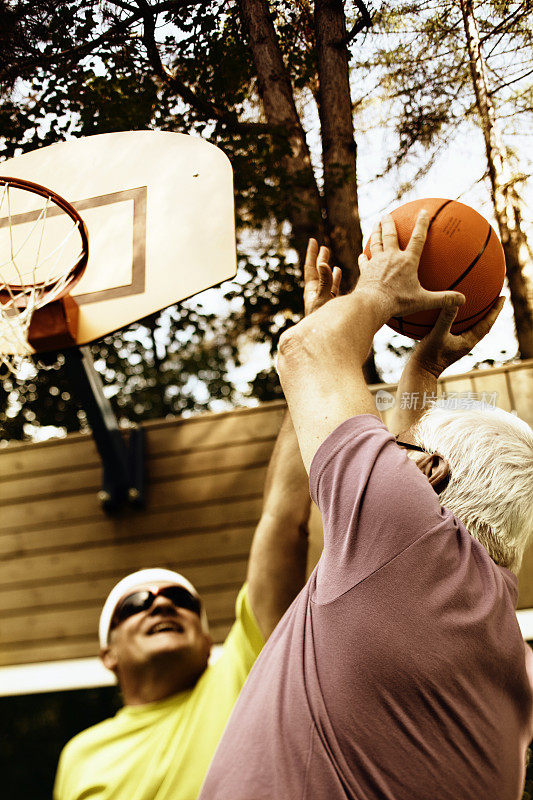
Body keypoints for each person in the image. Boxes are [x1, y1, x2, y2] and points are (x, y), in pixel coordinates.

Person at [199, 213, 533, 800]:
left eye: (398, 448)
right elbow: (415, 502)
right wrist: (421, 370)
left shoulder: (406, 550)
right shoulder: (496, 632)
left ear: (427, 473)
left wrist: (375, 293)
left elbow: (305, 351)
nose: (386, 444)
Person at [53, 259, 343, 800]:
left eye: (181, 599)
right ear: (107, 657)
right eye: (134, 604)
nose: (161, 602)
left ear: (210, 640)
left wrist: (313, 356)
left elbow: (282, 520)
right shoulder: (80, 758)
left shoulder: (243, 672)